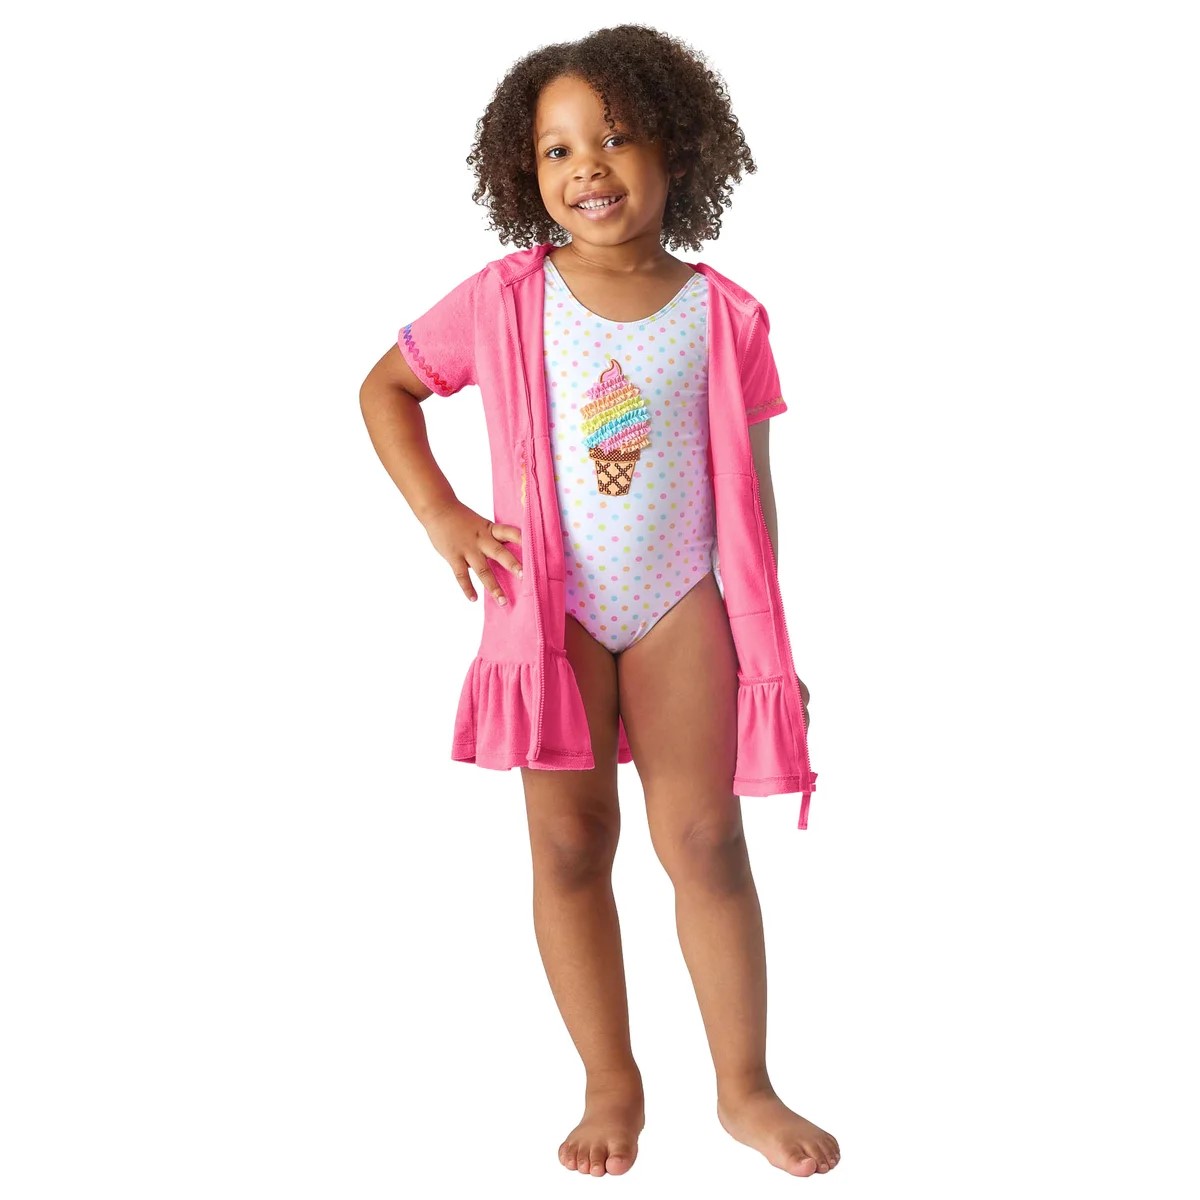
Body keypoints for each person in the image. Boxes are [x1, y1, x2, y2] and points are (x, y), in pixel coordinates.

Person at [359, 23, 837, 1181]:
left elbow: (753, 497)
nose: (588, 167)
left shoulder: (726, 315)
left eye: (616, 138)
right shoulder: (507, 297)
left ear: (677, 147)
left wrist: (767, 652)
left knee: (708, 841)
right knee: (572, 844)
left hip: (681, 607)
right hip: (550, 612)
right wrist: (441, 514)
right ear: (524, 169)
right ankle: (610, 1080)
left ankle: (745, 1087)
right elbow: (385, 387)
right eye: (559, 148)